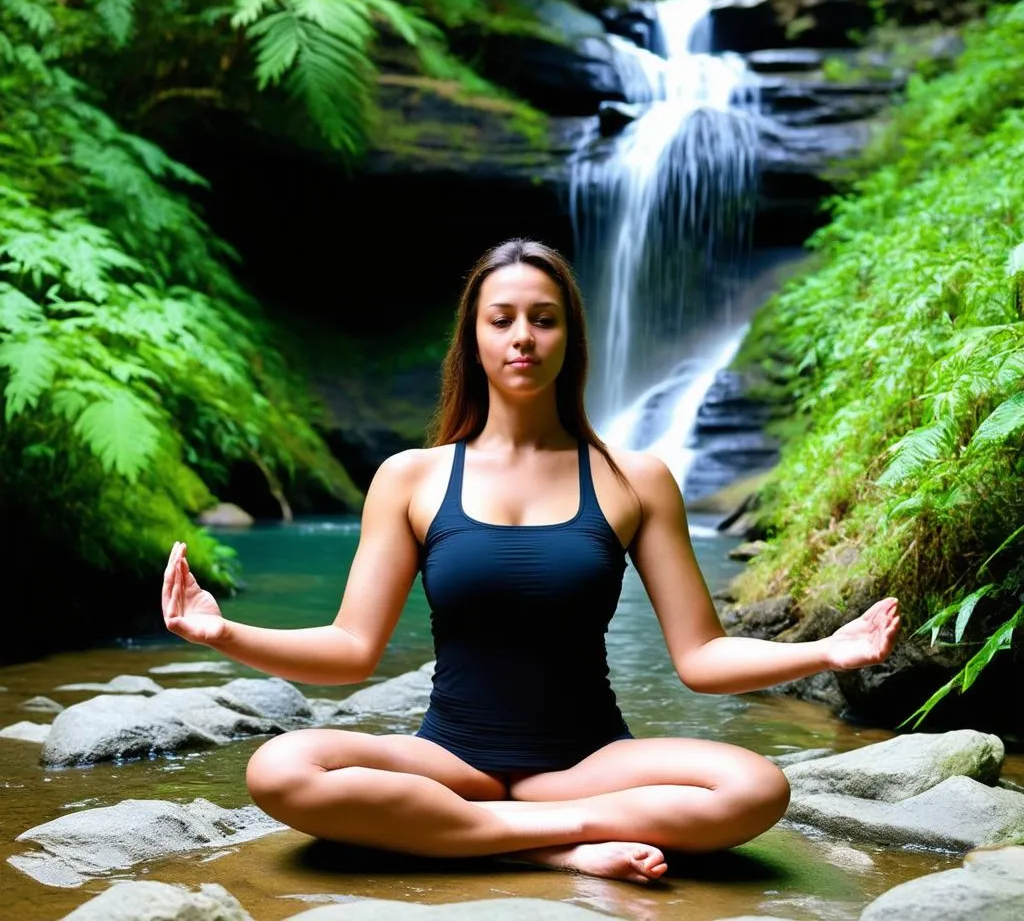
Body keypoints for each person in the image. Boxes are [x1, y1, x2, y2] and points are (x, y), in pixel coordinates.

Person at [162, 238, 901, 885]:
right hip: (452, 760)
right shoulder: (411, 477)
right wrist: (226, 634)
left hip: (587, 763)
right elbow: (351, 651)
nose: (523, 337)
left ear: (570, 338)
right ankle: (565, 844)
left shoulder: (634, 478)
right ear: (474, 339)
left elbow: (700, 657)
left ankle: (486, 835)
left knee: (756, 787)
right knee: (278, 768)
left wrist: (826, 652)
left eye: (543, 319)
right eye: (502, 319)